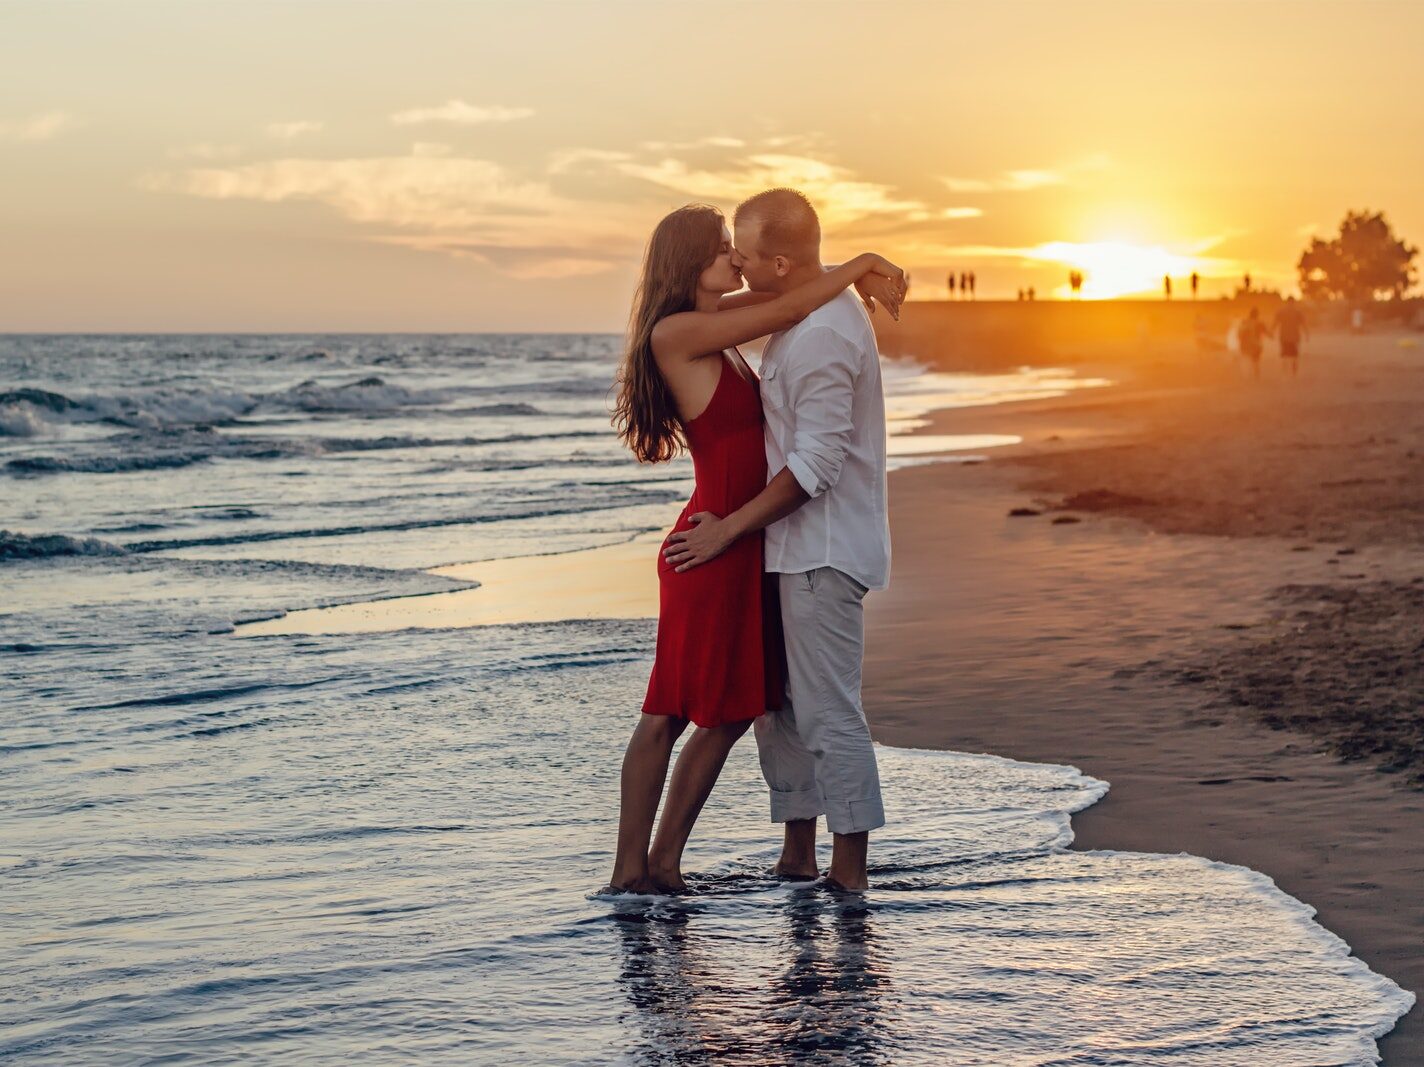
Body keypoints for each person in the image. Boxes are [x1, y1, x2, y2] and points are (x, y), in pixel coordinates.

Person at [607, 202, 904, 894]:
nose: (734, 262)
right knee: (674, 710)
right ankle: (636, 871)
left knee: (736, 707)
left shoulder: (717, 327)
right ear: (691, 264)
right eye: (721, 251)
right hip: (714, 542)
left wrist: (843, 271)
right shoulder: (683, 332)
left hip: (741, 540)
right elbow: (784, 300)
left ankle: (661, 866)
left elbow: (787, 293)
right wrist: (859, 265)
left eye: (738, 251)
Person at [1274, 297, 1307, 376]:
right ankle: (1289, 371)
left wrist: (1307, 333)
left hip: (1289, 337)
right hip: (1290, 337)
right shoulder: (1295, 312)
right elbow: (1275, 322)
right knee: (1290, 355)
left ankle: (1288, 371)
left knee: (1288, 355)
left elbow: (1303, 324)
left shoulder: (1285, 312)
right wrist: (1306, 333)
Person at [1238, 306, 1267, 379]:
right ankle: (1255, 375)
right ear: (1257, 315)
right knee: (1256, 361)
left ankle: (1248, 375)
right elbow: (1266, 332)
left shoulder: (1244, 321)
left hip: (1246, 344)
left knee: (1247, 359)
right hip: (1256, 344)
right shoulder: (1260, 323)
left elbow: (1240, 333)